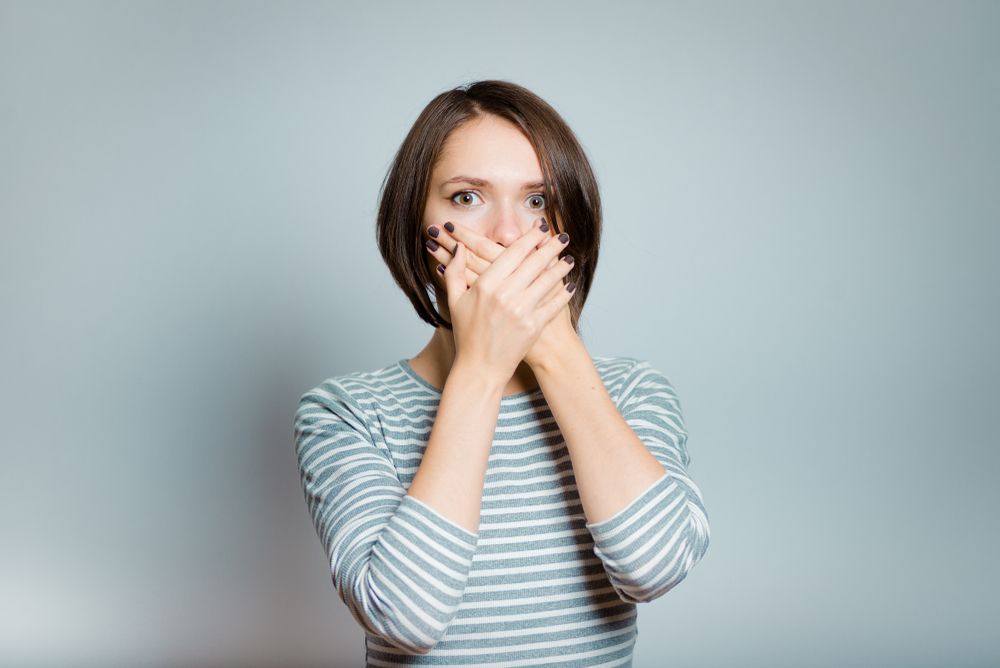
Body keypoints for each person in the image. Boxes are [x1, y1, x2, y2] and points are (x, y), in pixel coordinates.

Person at [293, 79, 711, 667]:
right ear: (418, 222)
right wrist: (480, 371)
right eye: (468, 198)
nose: (510, 234)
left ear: (570, 228)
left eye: (538, 201)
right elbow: (404, 617)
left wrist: (555, 350)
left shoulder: (633, 392)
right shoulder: (347, 412)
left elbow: (655, 567)